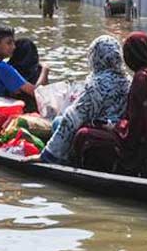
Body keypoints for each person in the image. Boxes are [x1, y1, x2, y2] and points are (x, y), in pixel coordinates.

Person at [72, 32, 147, 176]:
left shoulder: (142, 79)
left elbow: (135, 130)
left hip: (144, 153)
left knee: (83, 135)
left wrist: (112, 127)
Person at [37, 35, 131, 164]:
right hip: (118, 133)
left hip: (101, 133)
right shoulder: (128, 80)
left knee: (58, 121)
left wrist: (47, 155)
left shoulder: (97, 84)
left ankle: (63, 160)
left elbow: (72, 118)